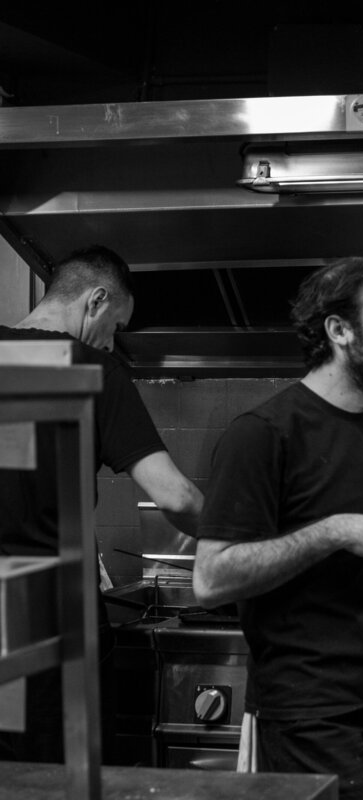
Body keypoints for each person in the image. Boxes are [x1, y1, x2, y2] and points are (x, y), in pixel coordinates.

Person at [193, 257, 363, 800]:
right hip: (309, 714)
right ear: (339, 330)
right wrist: (332, 531)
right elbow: (210, 579)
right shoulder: (263, 434)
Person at [0, 245, 204, 762]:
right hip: (52, 626)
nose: (113, 342)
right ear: (95, 300)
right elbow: (175, 495)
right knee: (59, 778)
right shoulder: (92, 369)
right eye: (116, 325)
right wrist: (247, 536)